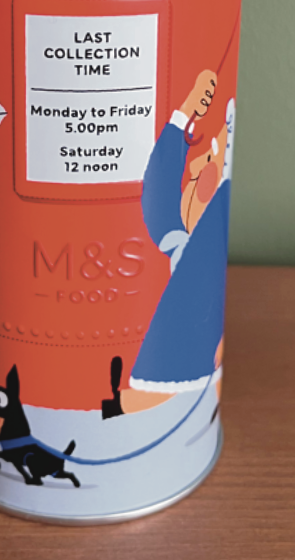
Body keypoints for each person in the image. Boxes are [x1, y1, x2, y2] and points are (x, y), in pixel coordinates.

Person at [102, 69, 233, 417]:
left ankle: (114, 412)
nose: (196, 164)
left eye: (209, 157)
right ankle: (113, 410)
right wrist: (185, 114)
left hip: (188, 394)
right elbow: (159, 195)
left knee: (164, 387)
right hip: (179, 385)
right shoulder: (181, 243)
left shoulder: (199, 254)